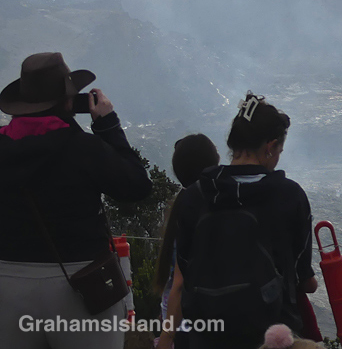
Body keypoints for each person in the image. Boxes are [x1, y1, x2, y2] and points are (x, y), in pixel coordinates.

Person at [0, 52, 152, 349]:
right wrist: (108, 126)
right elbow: (136, 186)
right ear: (67, 101)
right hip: (81, 282)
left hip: (7, 281)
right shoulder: (84, 149)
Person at [174, 92, 317, 349]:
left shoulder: (194, 196)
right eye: (279, 150)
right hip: (271, 335)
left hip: (204, 334)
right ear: (270, 147)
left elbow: (185, 265)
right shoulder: (289, 195)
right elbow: (301, 277)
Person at [154, 134, 220, 349]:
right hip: (194, 328)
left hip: (177, 322)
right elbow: (181, 284)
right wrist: (167, 338)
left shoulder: (181, 208)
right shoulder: (210, 209)